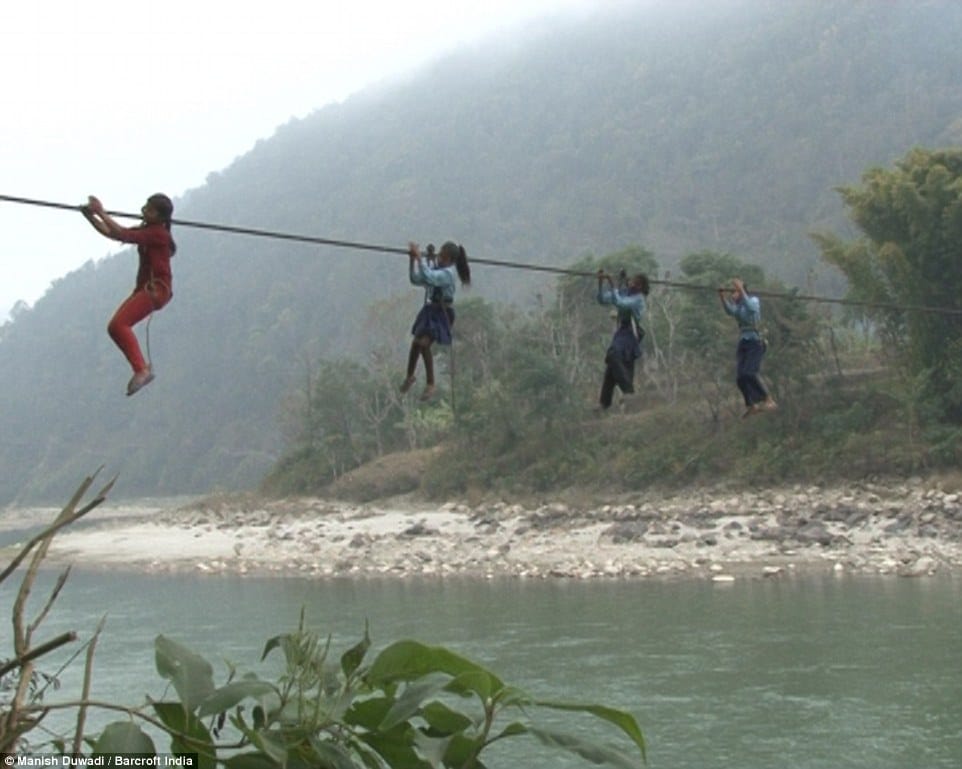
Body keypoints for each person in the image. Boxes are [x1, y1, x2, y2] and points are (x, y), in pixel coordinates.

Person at [81, 193, 176, 396]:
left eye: (150, 209)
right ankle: (141, 368)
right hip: (147, 290)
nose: (144, 211)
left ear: (160, 217)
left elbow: (122, 233)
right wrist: (91, 218)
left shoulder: (158, 233)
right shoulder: (150, 231)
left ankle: (141, 369)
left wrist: (100, 211)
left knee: (118, 325)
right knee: (115, 327)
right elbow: (114, 233)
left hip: (156, 290)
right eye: (146, 207)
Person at [400, 240, 470, 401]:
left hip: (442, 312)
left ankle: (430, 383)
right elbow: (416, 279)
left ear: (451, 261)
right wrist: (413, 261)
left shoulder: (448, 274)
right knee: (416, 343)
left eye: (443, 257)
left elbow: (431, 278)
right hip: (430, 309)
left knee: (424, 344)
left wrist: (420, 259)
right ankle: (409, 376)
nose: (439, 258)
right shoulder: (437, 269)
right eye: (439, 255)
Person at [718, 278, 777, 417]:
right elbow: (730, 311)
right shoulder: (738, 308)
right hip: (744, 342)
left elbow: (751, 308)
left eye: (735, 292)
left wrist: (741, 290)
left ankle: (767, 399)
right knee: (740, 377)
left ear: (741, 292)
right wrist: (721, 297)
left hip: (755, 342)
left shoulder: (753, 301)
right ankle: (751, 404)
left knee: (749, 373)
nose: (733, 296)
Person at [597, 270, 649, 411]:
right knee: (612, 365)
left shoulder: (638, 299)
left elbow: (620, 303)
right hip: (622, 332)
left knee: (614, 354)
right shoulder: (626, 292)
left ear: (640, 287)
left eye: (634, 282)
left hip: (630, 333)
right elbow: (602, 299)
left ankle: (628, 390)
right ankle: (604, 402)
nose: (631, 283)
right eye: (631, 281)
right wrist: (601, 283)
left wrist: (613, 284)